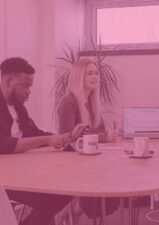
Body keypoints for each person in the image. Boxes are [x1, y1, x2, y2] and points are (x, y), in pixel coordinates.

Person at [0, 57, 87, 225]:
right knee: (58, 194)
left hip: (18, 174)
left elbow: (34, 133)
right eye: (26, 85)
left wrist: (66, 137)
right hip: (4, 180)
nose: (29, 91)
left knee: (65, 189)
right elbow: (3, 143)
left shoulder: (18, 108)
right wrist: (48, 140)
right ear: (9, 81)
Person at [56, 58, 119, 224]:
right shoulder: (67, 102)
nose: (95, 76)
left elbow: (101, 133)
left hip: (90, 161)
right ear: (79, 76)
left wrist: (109, 135)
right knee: (104, 180)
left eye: (96, 73)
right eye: (89, 73)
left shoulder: (93, 103)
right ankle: (71, 212)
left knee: (117, 176)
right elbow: (66, 138)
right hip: (72, 163)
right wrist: (103, 137)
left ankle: (73, 211)